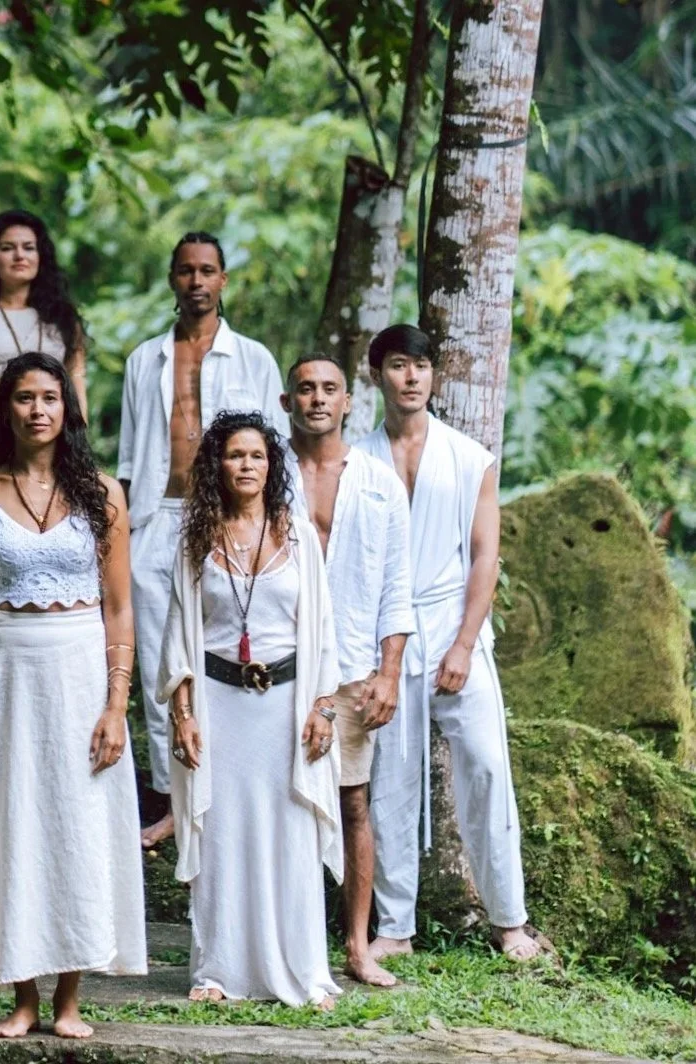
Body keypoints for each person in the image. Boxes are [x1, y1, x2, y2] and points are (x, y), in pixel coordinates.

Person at [0, 352, 146, 1039]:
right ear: (6, 411)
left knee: (79, 825)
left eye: (49, 398)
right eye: (23, 398)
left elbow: (120, 608)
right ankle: (22, 996)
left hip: (82, 669)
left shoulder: (104, 493)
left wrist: (117, 705)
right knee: (17, 824)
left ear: (67, 408)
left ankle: (69, 999)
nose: (36, 410)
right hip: (8, 673)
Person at [356, 324, 540, 964]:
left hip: (454, 625)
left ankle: (510, 920)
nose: (411, 377)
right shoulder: (357, 459)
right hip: (387, 637)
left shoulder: (469, 457)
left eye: (422, 366)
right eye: (399, 365)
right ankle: (395, 926)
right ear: (377, 373)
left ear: (434, 376)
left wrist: (463, 645)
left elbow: (485, 557)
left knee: (487, 765)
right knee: (392, 779)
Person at [157, 410, 341, 1008]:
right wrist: (182, 713)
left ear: (272, 465)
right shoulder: (196, 536)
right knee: (223, 834)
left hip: (285, 708)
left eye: (257, 456)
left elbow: (323, 626)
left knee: (288, 828)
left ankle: (305, 971)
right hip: (218, 707)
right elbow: (178, 633)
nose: (247, 465)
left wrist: (323, 706)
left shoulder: (297, 532)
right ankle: (218, 971)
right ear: (217, 464)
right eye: (235, 455)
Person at [118, 231, 289, 849]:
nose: (197, 281)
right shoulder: (146, 360)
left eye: (208, 271)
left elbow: (276, 455)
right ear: (172, 279)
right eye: (186, 271)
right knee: (163, 662)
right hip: (155, 518)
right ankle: (170, 799)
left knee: (221, 656)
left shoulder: (254, 359)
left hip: (228, 520)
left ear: (224, 281)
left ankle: (228, 787)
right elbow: (130, 458)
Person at [280, 353, 414, 987]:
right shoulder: (266, 471)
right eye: (304, 388)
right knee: (273, 803)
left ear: (348, 401)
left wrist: (387, 673)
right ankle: (281, 944)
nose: (317, 399)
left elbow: (397, 586)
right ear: (287, 401)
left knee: (353, 804)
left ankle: (358, 948)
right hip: (277, 662)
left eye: (329, 389)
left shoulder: (377, 481)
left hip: (354, 665)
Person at [0, 210, 87, 479]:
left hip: (51, 445)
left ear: (41, 257)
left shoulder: (64, 321)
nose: (19, 256)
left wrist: (79, 451)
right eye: (7, 248)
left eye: (29, 248)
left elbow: (78, 393)